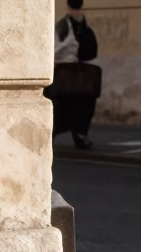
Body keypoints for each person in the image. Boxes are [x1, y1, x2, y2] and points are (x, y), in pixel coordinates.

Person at [48, 0, 102, 149]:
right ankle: (76, 134)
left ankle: (77, 134)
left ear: (68, 5)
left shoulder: (70, 25)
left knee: (75, 101)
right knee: (73, 102)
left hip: (70, 72)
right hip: (72, 72)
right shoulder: (75, 24)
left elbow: (55, 49)